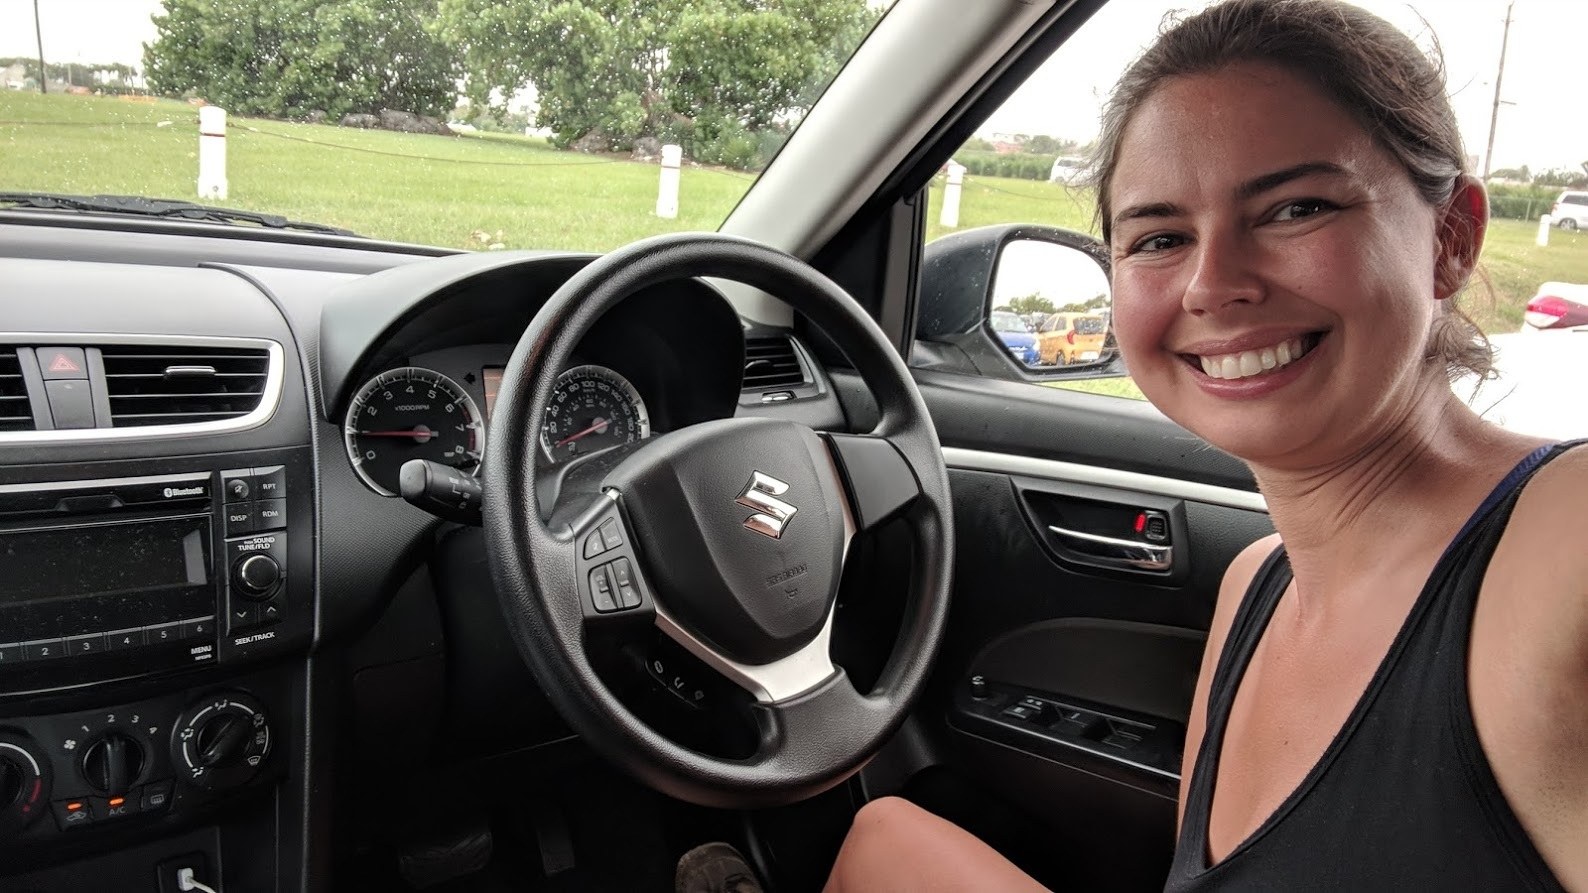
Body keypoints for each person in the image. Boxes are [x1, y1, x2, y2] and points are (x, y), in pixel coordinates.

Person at [820, 0, 1588, 890]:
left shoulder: (1560, 544)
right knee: (886, 837)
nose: (1212, 283)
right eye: (1160, 237)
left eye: (1296, 208)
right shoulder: (1255, 586)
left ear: (1450, 239)